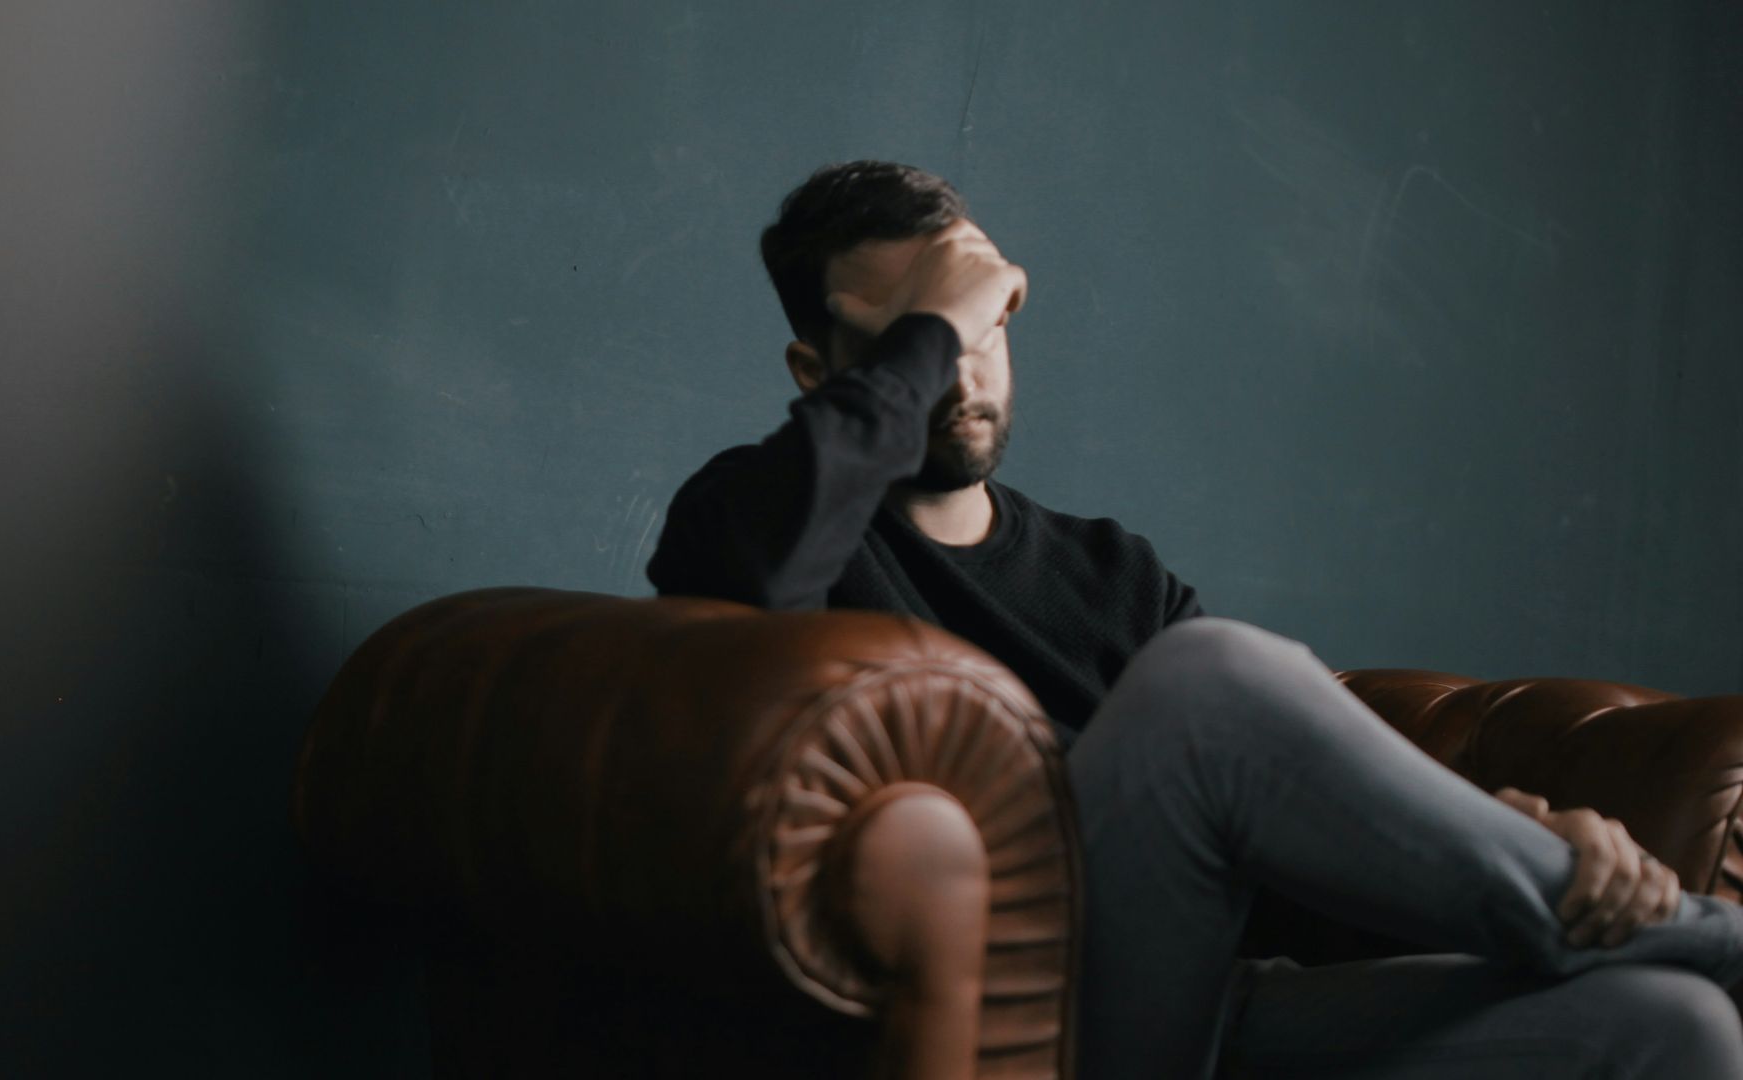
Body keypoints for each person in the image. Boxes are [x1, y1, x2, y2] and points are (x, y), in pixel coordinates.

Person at [646, 160, 1743, 1078]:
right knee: (1210, 680)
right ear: (817, 372)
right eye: (927, 338)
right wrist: (939, 317)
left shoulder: (1111, 571)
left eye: (988, 323)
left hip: (1208, 1016)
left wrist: (1511, 835)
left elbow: (1278, 834)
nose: (964, 369)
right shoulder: (754, 515)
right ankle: (1705, 937)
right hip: (1022, 1028)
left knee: (1672, 1029)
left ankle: (1632, 927)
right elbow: (754, 573)